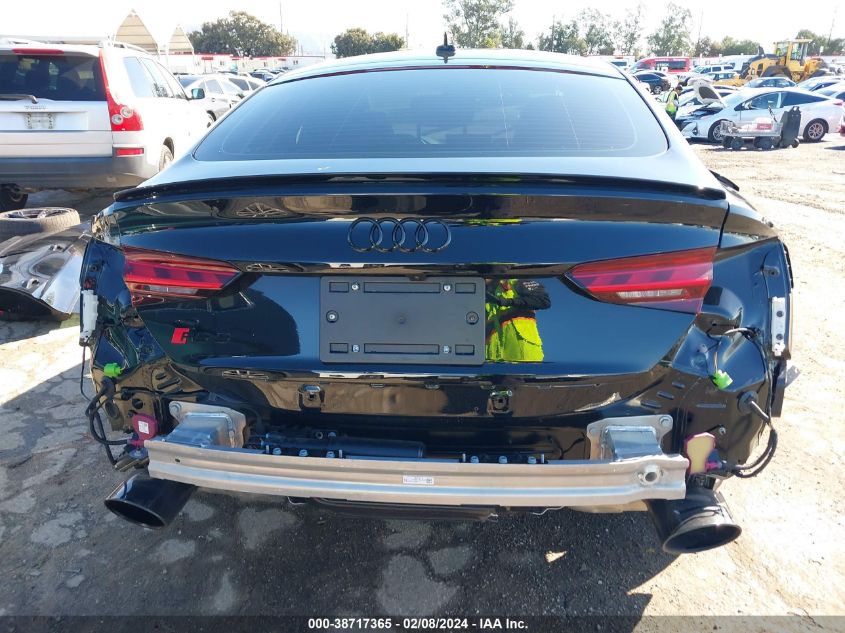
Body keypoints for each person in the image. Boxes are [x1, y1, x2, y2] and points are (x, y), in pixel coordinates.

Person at [485, 278, 550, 362]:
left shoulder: (515, 283)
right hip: (493, 359)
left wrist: (510, 302)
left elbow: (543, 300)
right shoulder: (482, 295)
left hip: (524, 356)